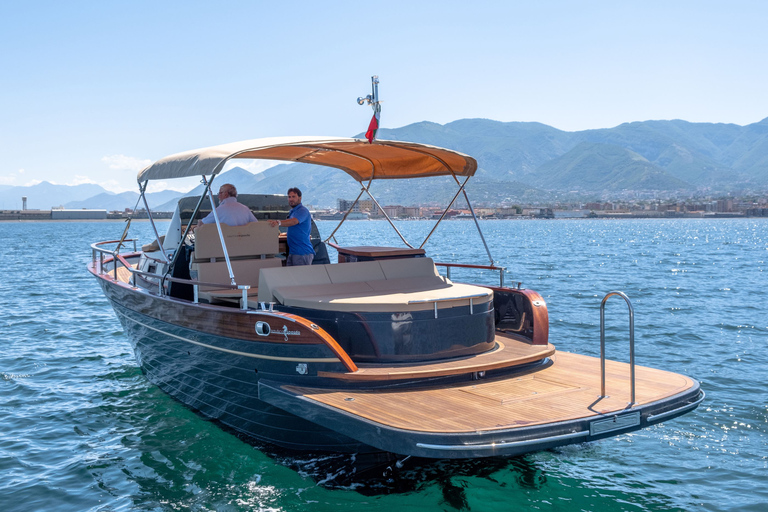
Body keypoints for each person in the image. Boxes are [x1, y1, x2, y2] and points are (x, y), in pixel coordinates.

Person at [269, 187, 315, 266]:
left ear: (300, 198)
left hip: (302, 252)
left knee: (300, 277)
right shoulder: (293, 211)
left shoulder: (302, 210)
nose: (291, 199)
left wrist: (278, 222)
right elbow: (296, 229)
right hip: (293, 252)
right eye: (289, 197)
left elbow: (294, 221)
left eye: (293, 197)